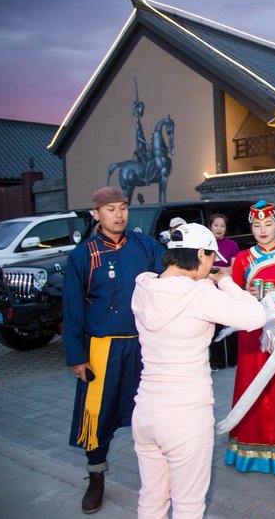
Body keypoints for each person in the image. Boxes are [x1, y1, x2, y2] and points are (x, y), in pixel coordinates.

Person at [131, 223, 266, 519]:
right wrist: (226, 282)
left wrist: (206, 283)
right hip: (186, 415)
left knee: (152, 499)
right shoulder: (201, 297)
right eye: (211, 259)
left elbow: (177, 288)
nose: (211, 266)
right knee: (188, 505)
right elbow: (255, 316)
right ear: (202, 255)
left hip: (145, 411)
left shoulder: (142, 286)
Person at [63, 186, 164, 514]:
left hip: (145, 346)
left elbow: (174, 276)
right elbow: (73, 308)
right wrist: (76, 355)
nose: (119, 214)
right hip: (102, 349)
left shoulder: (146, 245)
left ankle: (160, 476)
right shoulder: (82, 255)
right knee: (97, 417)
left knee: (152, 412)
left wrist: (215, 273)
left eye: (122, 207)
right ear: (96, 215)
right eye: (110, 209)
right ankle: (95, 477)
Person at [225, 201, 275, 474]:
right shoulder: (244, 258)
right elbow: (233, 293)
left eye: (268, 224)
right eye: (257, 225)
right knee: (252, 383)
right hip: (252, 332)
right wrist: (247, 294)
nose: (262, 230)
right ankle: (250, 444)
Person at [208, 213, 240, 370]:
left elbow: (233, 268)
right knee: (214, 327)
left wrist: (217, 270)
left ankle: (234, 359)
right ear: (210, 226)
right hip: (209, 290)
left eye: (222, 226)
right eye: (216, 225)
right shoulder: (206, 244)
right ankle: (216, 362)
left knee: (231, 324)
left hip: (226, 288)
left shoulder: (232, 245)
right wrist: (222, 269)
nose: (219, 228)